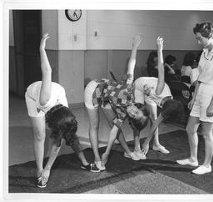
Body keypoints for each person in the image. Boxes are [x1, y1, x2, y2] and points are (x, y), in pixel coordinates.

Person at [25, 34, 98, 188]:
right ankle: (38, 170)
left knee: (68, 131)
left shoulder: (64, 109)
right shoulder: (44, 98)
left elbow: (60, 139)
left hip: (53, 103)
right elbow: (47, 70)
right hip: (34, 96)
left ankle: (84, 162)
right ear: (49, 122)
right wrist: (42, 48)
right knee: (40, 135)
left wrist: (49, 168)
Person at [84, 34, 150, 170]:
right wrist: (135, 47)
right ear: (138, 106)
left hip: (106, 97)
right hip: (94, 89)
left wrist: (107, 153)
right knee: (95, 125)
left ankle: (126, 152)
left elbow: (113, 132)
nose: (131, 112)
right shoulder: (129, 90)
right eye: (136, 111)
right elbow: (131, 65)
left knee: (114, 126)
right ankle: (97, 159)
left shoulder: (123, 114)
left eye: (133, 116)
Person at [176, 22, 213, 175]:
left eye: (200, 38)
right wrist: (194, 97)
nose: (198, 42)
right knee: (190, 128)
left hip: (212, 93)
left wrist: (212, 104)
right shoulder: (204, 52)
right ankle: (193, 158)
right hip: (200, 92)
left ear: (210, 35)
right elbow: (199, 77)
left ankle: (207, 165)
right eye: (197, 39)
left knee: (206, 132)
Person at [133, 37, 184, 156]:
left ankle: (155, 144)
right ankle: (136, 146)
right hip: (140, 86)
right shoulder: (160, 89)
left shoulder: (171, 104)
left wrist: (147, 141)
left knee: (154, 118)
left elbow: (156, 122)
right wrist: (159, 48)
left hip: (151, 94)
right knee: (138, 116)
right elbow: (161, 68)